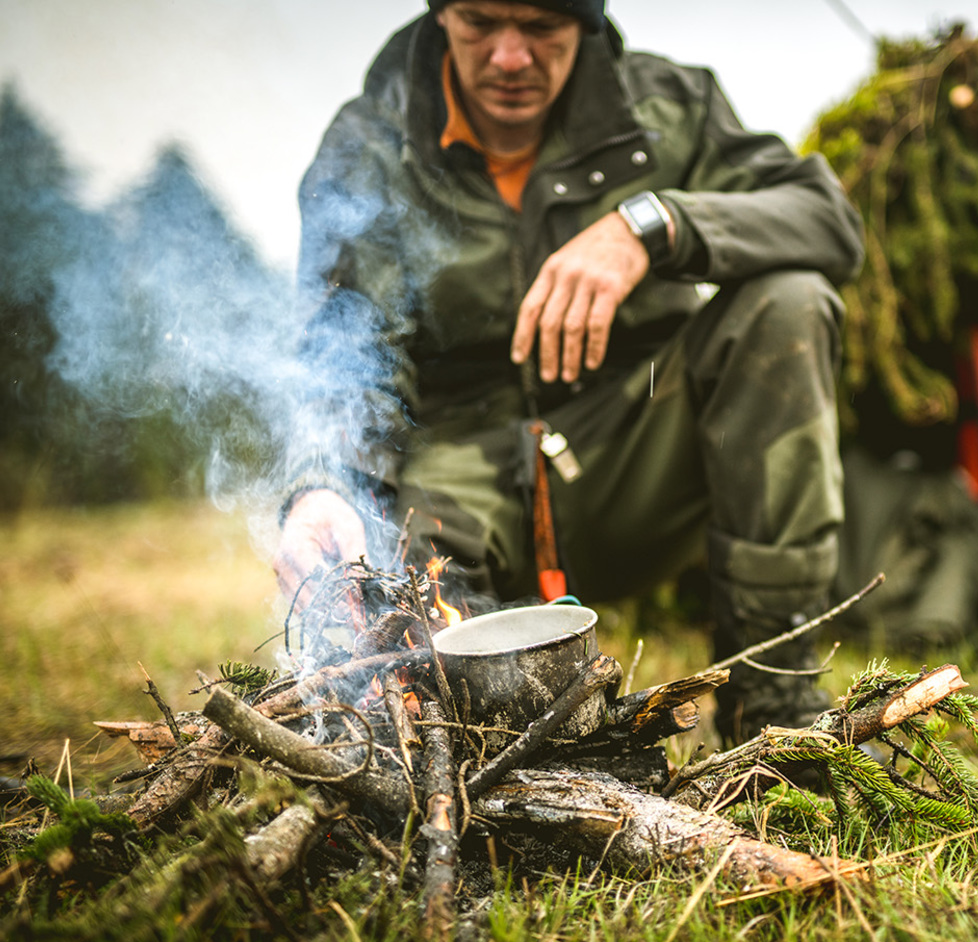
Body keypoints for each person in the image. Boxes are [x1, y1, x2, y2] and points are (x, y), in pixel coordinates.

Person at [271, 0, 864, 744]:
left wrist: (654, 226)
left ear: (585, 19)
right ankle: (485, 749)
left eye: (543, 26)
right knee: (418, 621)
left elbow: (827, 218)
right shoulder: (370, 147)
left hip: (634, 454)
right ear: (442, 13)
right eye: (483, 22)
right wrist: (325, 484)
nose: (511, 57)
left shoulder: (668, 110)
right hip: (458, 481)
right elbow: (345, 355)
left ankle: (775, 706)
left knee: (790, 301)